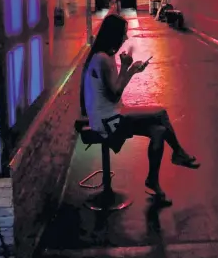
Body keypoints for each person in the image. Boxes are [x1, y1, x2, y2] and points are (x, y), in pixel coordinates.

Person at [80, 14, 200, 204]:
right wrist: (128, 68)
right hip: (108, 121)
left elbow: (114, 91)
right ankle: (178, 153)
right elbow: (115, 93)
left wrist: (130, 69)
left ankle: (153, 180)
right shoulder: (102, 59)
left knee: (159, 131)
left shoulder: (105, 56)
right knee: (160, 113)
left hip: (112, 115)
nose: (126, 38)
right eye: (124, 34)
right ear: (114, 35)